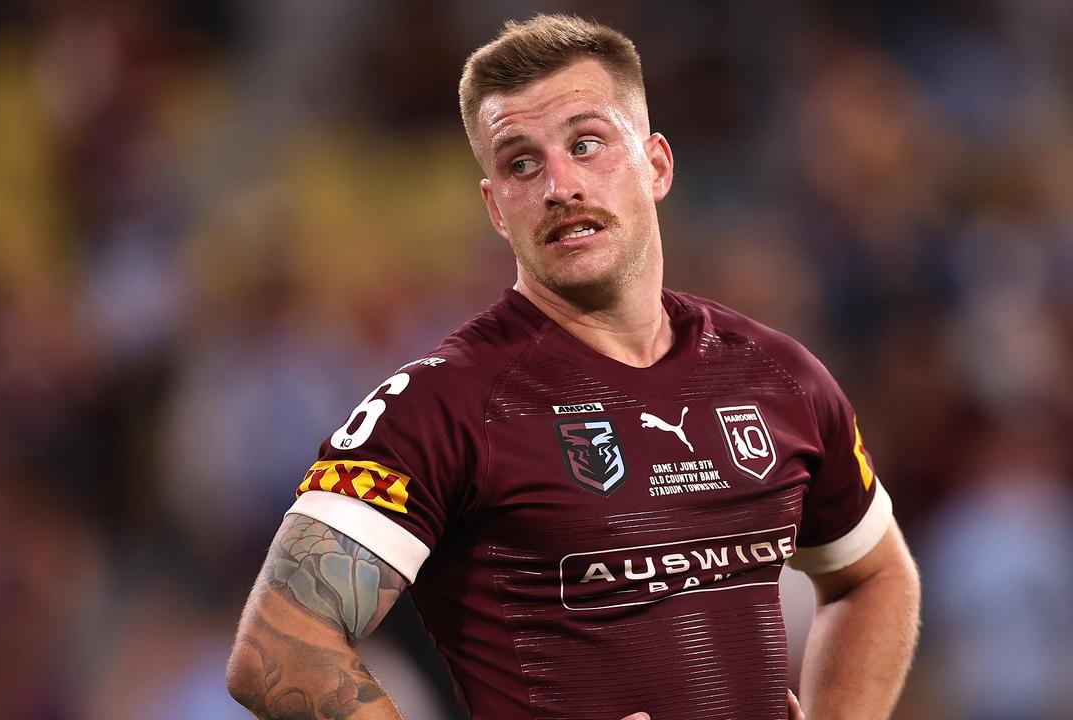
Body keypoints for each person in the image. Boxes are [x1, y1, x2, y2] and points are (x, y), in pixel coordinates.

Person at [227, 13, 920, 720]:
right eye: (521, 162)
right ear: (497, 208)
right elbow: (279, 648)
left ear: (657, 164)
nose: (559, 184)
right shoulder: (442, 405)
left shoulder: (780, 378)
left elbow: (873, 575)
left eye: (586, 144)